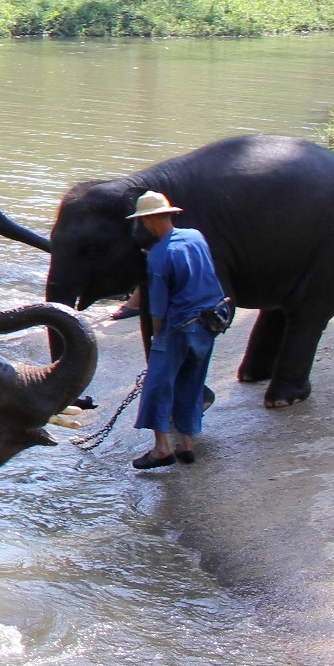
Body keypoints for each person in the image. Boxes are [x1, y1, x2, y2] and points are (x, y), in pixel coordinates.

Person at [126, 190, 227, 472]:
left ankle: (161, 449)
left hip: (179, 328)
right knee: (192, 381)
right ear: (170, 215)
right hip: (209, 322)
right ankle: (186, 444)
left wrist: (158, 337)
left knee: (158, 385)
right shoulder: (196, 237)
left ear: (148, 221)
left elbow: (158, 308)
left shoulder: (158, 257)